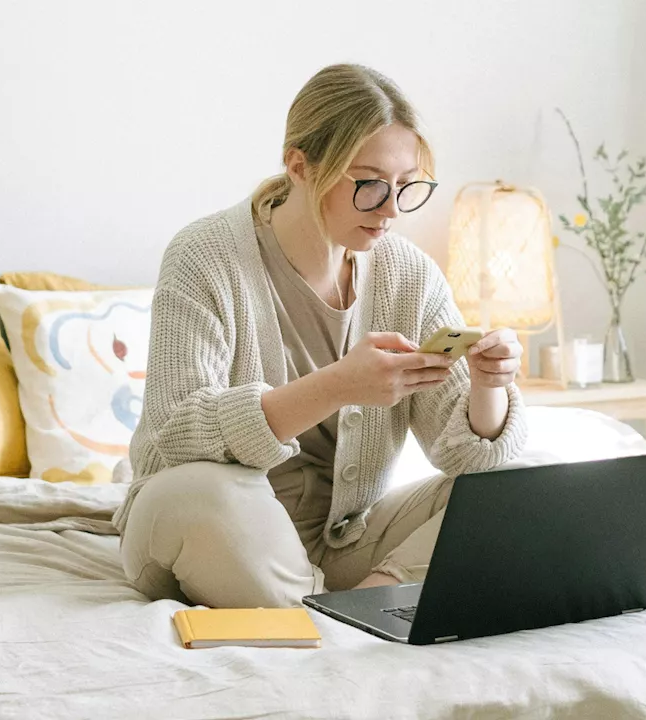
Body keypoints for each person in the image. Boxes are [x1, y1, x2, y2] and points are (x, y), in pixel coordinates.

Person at [112, 63, 527, 609]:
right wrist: (336, 386)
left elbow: (471, 464)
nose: (391, 210)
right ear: (299, 166)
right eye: (370, 184)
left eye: (407, 187)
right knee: (201, 494)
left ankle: (359, 608)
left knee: (520, 485)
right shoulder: (204, 256)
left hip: (347, 540)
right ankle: (342, 608)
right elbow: (173, 435)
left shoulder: (409, 275)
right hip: (209, 526)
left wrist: (488, 386)